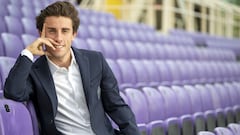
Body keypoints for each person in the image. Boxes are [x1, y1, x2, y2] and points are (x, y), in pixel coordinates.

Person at [4, 1, 140, 135]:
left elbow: (116, 105)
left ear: (74, 34)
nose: (59, 38)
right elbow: (13, 92)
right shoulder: (34, 71)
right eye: (52, 31)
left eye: (65, 31)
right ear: (41, 33)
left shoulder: (95, 61)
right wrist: (28, 52)